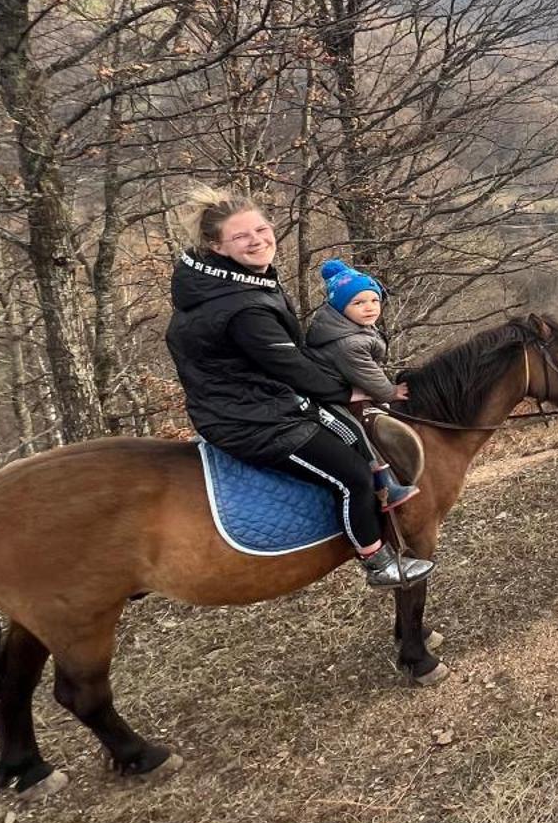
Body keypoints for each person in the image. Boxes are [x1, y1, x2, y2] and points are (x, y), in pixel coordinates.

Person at [165, 189, 431, 588]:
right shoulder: (244, 307)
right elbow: (289, 364)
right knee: (352, 477)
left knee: (351, 431)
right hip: (250, 418)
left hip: (256, 399)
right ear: (217, 245)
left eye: (260, 228)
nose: (257, 240)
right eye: (242, 237)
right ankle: (378, 563)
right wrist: (347, 391)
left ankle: (387, 488)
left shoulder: (229, 282)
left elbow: (284, 359)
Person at [307, 258, 420, 510]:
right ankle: (384, 486)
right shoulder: (348, 343)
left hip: (344, 386)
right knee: (354, 431)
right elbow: (368, 375)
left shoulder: (352, 327)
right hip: (326, 395)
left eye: (374, 300)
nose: (369, 308)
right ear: (339, 307)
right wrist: (390, 391)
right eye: (357, 303)